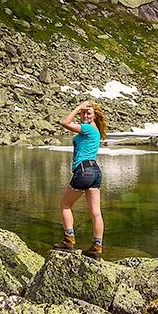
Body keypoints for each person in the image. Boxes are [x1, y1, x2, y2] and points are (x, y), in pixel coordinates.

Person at [56, 99, 107, 257]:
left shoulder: (86, 128)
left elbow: (64, 122)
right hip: (95, 172)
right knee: (96, 213)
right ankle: (97, 247)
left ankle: (68, 240)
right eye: (84, 112)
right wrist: (82, 109)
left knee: (65, 205)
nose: (84, 115)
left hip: (84, 170)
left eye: (88, 112)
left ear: (94, 115)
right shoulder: (95, 129)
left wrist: (78, 107)